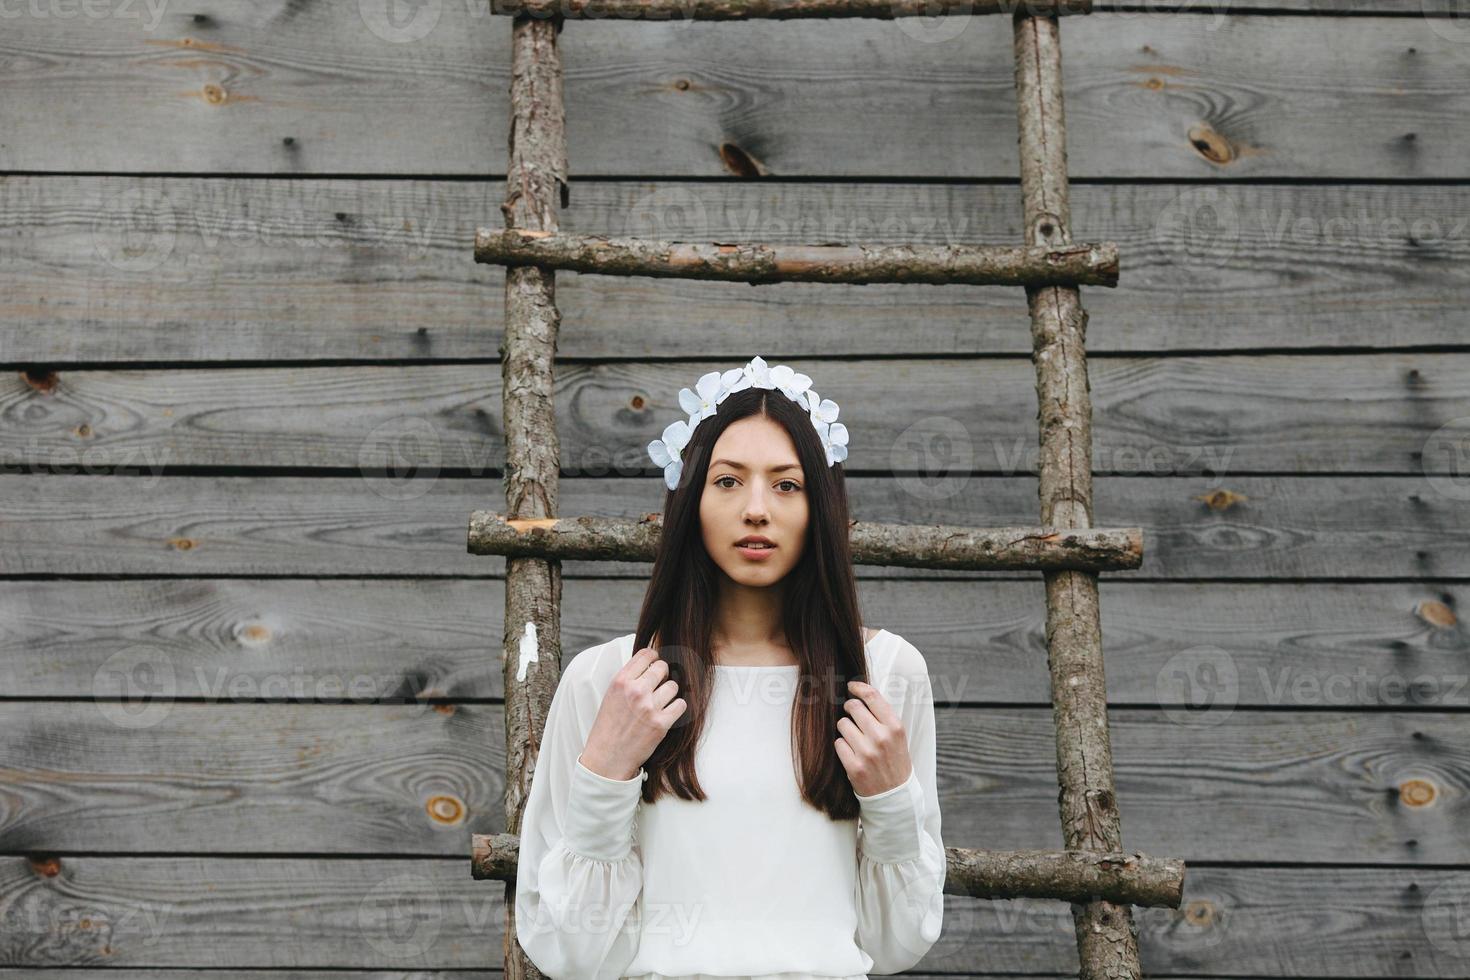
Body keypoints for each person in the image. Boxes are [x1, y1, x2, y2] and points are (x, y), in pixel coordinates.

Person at [514, 356, 945, 979]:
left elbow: (896, 943)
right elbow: (568, 950)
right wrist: (606, 773)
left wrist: (892, 804)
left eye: (786, 484)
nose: (756, 510)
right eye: (727, 481)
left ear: (819, 506)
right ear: (690, 500)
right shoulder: (609, 682)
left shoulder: (885, 674)